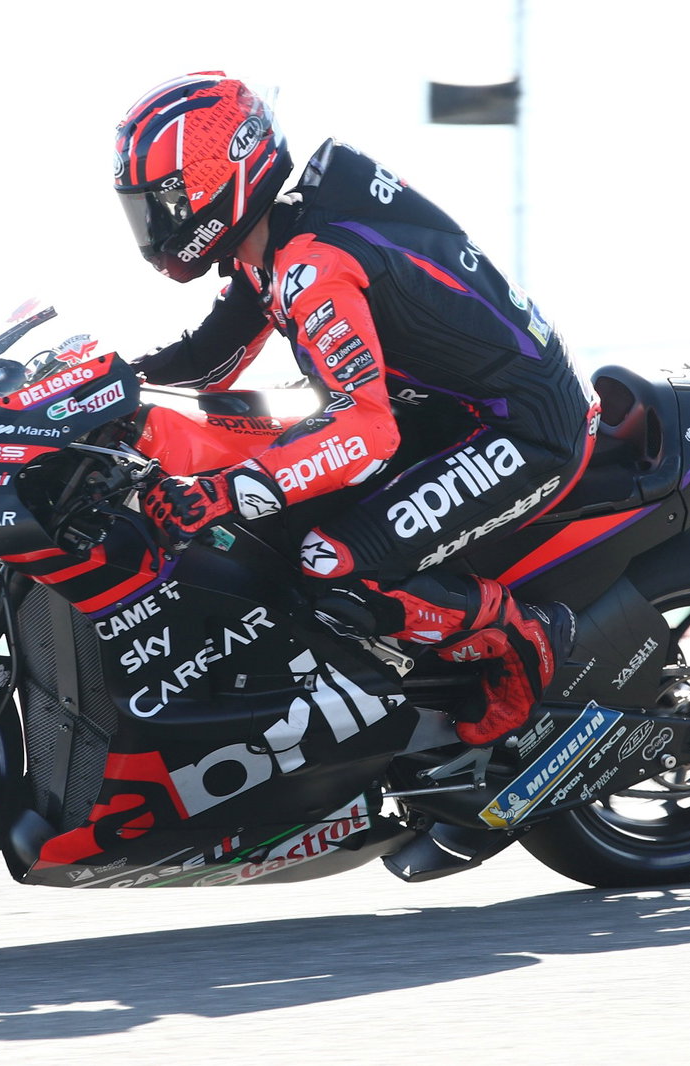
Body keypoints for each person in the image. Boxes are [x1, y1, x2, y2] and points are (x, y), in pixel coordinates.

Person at [112, 71, 598, 748]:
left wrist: (222, 493)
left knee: (331, 563)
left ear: (218, 178)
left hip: (524, 428)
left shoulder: (314, 265)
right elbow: (210, 359)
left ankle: (520, 637)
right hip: (445, 416)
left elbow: (366, 430)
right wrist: (96, 389)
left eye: (163, 202)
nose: (155, 225)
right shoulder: (270, 247)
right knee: (274, 507)